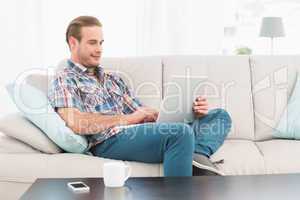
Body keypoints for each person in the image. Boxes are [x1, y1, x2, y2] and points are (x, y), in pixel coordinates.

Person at [48, 16, 232, 177]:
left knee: (220, 116)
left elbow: (143, 112)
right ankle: (189, 162)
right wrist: (129, 119)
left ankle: (194, 157)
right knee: (180, 132)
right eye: (92, 42)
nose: (99, 49)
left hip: (138, 133)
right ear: (73, 43)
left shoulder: (113, 79)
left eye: (101, 43)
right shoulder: (64, 79)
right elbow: (76, 122)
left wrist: (185, 112)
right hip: (108, 141)